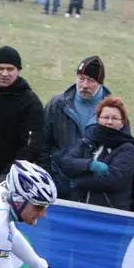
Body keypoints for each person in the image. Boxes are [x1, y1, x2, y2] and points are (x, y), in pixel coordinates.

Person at [0, 46, 44, 185]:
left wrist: (9, 174)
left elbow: (32, 145)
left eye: (10, 69)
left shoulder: (30, 102)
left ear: (18, 71)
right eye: (0, 68)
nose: (5, 73)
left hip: (11, 177)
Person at [43, 56, 111, 199]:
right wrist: (48, 174)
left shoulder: (112, 111)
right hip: (57, 183)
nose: (84, 85)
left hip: (92, 190)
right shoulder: (57, 105)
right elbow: (42, 144)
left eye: (91, 80)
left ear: (100, 83)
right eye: (81, 78)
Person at [60, 96, 134, 210]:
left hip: (111, 213)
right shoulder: (88, 140)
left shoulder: (127, 148)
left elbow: (113, 180)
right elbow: (67, 163)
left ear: (123, 122)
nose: (109, 122)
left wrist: (79, 181)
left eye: (115, 118)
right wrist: (89, 165)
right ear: (98, 119)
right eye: (105, 117)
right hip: (81, 207)